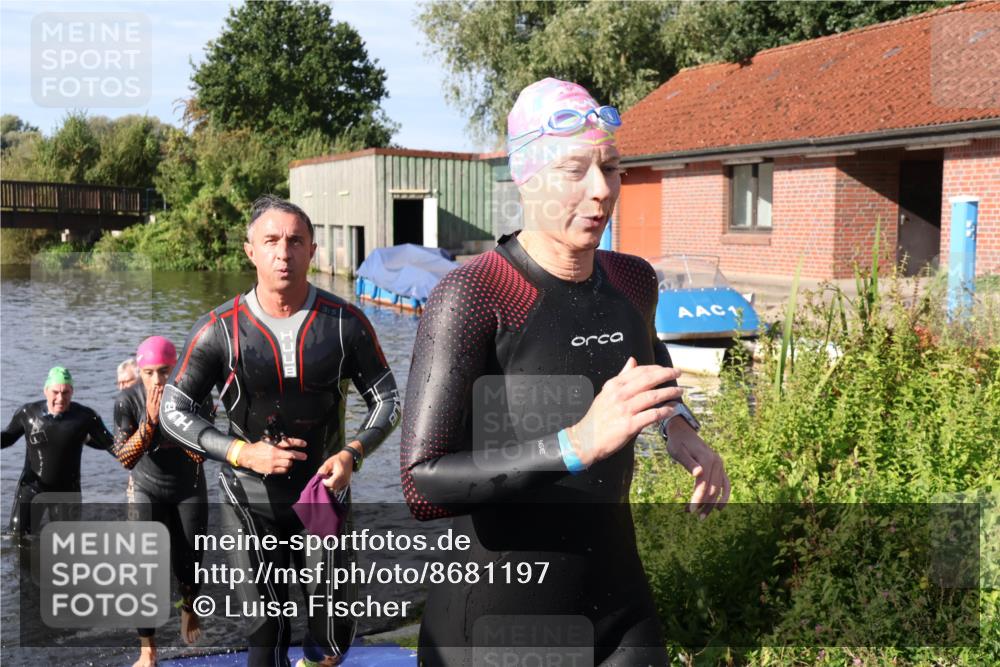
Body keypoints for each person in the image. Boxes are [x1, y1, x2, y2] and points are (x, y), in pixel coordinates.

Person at [400, 78, 731, 665]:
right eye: (575, 170)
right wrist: (576, 445)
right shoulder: (476, 294)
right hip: (501, 617)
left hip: (618, 602)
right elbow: (422, 485)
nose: (601, 190)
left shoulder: (631, 280)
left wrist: (677, 425)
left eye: (611, 167)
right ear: (527, 177)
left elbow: (649, 359)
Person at [160, 195, 401, 667]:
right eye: (271, 241)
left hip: (322, 494)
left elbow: (388, 400)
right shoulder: (219, 329)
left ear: (313, 250)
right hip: (250, 499)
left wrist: (353, 453)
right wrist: (240, 452)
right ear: (250, 251)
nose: (283, 253)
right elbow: (174, 410)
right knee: (266, 632)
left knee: (332, 636)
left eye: (295, 241)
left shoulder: (345, 324)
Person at [111, 336, 211, 667]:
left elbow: (201, 455)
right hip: (146, 488)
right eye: (150, 372)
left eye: (165, 371)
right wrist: (150, 422)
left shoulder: (196, 396)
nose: (157, 380)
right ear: (140, 372)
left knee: (189, 564)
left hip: (188, 488)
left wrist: (170, 421)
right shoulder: (127, 400)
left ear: (178, 368)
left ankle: (188, 606)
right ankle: (147, 648)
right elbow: (125, 457)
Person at [2, 366, 114, 536]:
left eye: (66, 392)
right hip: (32, 489)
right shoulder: (28, 413)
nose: (60, 398)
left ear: (72, 392)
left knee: (65, 544)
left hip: (67, 492)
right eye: (55, 392)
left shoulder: (85, 417)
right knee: (17, 538)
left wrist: (140, 451)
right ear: (46, 391)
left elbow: (112, 445)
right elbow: (7, 438)